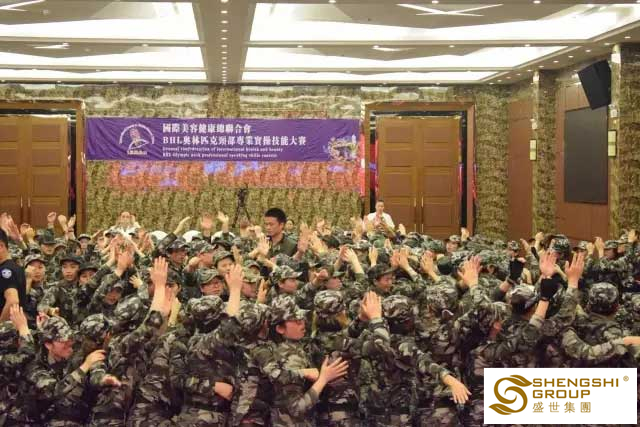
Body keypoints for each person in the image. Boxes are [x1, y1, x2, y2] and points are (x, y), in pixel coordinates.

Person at [0, 229, 26, 321]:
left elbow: (12, 301)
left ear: (1, 246)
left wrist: (1, 324)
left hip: (9, 326)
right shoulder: (15, 267)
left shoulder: (6, 271)